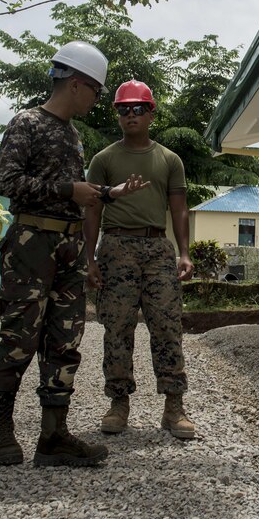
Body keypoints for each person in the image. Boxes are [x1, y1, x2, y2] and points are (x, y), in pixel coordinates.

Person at [0, 41, 147, 467]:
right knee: (19, 338)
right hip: (31, 246)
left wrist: (104, 194)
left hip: (69, 248)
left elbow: (69, 194)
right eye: (95, 91)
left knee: (65, 342)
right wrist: (67, 190)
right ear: (77, 84)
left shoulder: (71, 133)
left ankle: (53, 436)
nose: (97, 101)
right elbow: (7, 181)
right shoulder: (28, 123)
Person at [84, 79, 197, 439]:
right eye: (123, 109)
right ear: (117, 114)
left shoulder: (169, 160)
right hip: (116, 249)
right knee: (117, 328)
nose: (130, 115)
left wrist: (183, 252)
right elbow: (92, 213)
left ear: (151, 113)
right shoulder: (103, 160)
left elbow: (178, 210)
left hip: (157, 249)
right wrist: (90, 258)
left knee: (167, 326)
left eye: (137, 109)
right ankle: (118, 404)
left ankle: (174, 406)